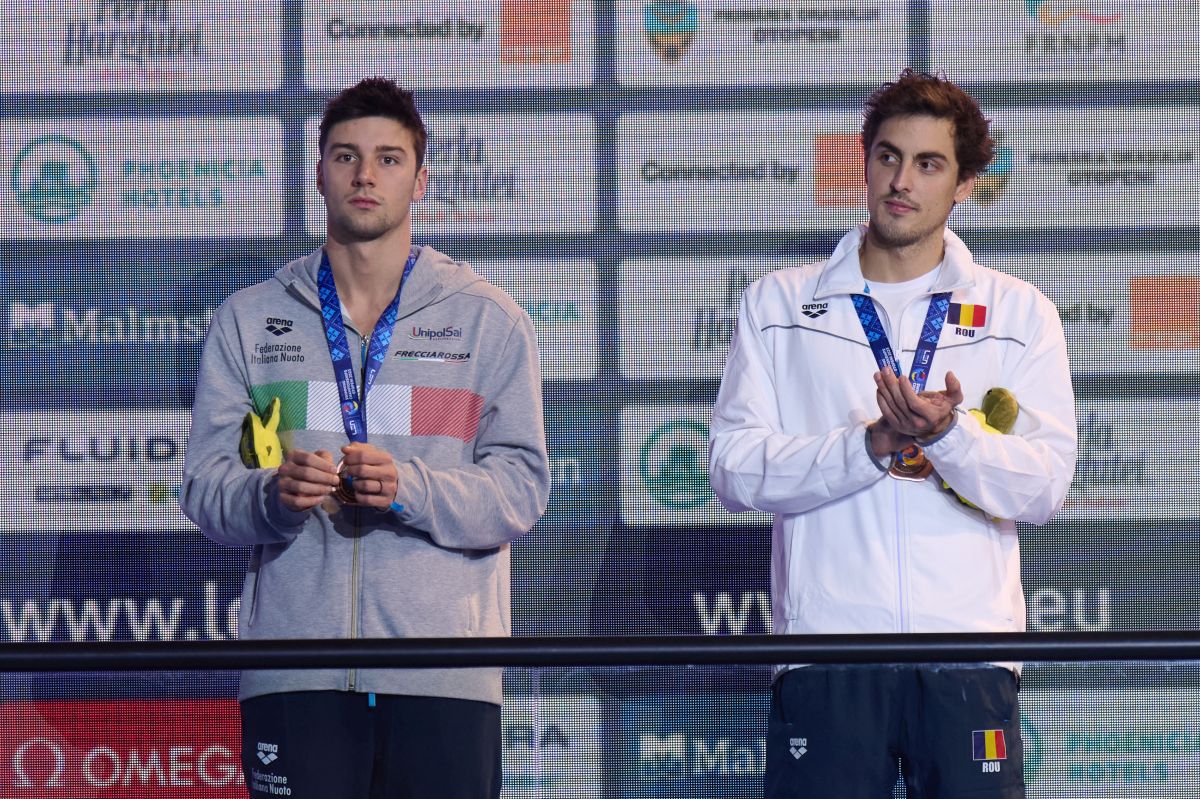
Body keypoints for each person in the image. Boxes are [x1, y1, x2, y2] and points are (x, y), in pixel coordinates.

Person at [708, 69, 1077, 799]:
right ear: (866, 160)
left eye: (929, 163)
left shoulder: (1020, 312)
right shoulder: (779, 303)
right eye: (887, 156)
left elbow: (1045, 487)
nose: (901, 180)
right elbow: (732, 468)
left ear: (965, 184)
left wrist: (947, 440)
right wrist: (870, 446)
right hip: (828, 656)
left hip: (969, 659)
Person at [181, 77, 550, 799]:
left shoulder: (489, 320)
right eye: (346, 156)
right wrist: (273, 495)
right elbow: (204, 487)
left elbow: (522, 491)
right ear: (319, 172)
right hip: (297, 669)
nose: (365, 174)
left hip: (443, 675)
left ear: (421, 178)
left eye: (388, 158)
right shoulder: (249, 320)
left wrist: (411, 488)